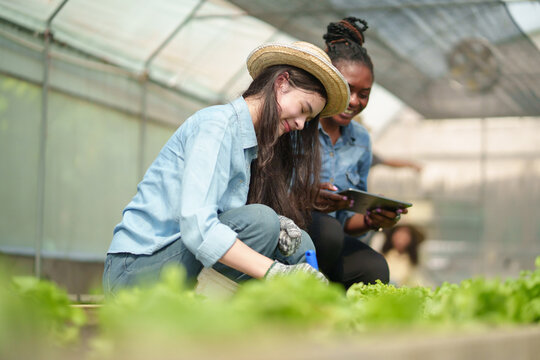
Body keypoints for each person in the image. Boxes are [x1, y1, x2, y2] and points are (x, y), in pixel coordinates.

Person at [102, 41, 350, 295]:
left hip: (171, 265)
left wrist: (280, 230)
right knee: (263, 223)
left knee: (299, 244)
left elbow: (227, 219)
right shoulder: (217, 126)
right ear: (281, 83)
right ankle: (201, 320)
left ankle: (309, 311)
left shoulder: (249, 143)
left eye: (307, 120)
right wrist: (276, 272)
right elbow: (198, 229)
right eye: (302, 110)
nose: (300, 125)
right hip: (133, 273)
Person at [307, 17, 407, 289]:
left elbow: (348, 221)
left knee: (374, 265)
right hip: (288, 231)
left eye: (364, 93)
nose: (354, 101)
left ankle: (335, 315)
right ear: (327, 81)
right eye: (347, 88)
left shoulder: (361, 140)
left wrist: (372, 220)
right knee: (327, 231)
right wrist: (308, 200)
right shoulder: (297, 123)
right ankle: (309, 304)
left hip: (332, 238)